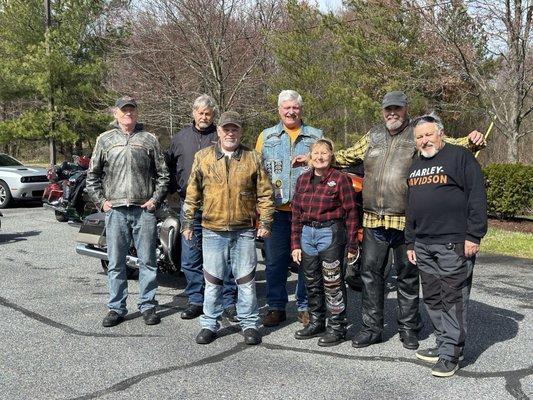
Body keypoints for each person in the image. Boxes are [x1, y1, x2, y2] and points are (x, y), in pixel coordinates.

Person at [335, 91, 484, 350]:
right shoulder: (373, 135)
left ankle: (408, 327)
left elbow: (446, 143)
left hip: (405, 220)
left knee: (407, 275)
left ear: (405, 109)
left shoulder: (417, 133)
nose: (392, 113)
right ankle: (371, 327)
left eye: (397, 109)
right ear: (382, 111)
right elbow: (346, 156)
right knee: (371, 275)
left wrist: (472, 141)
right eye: (388, 109)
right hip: (373, 219)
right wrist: (317, 156)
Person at [405, 113, 487, 377]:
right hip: (423, 244)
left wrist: (473, 235)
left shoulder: (460, 157)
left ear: (441, 133)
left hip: (453, 243)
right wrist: (410, 241)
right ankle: (444, 343)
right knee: (431, 297)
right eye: (419, 136)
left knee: (453, 298)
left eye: (429, 134)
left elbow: (477, 196)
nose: (424, 140)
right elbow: (411, 207)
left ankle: (451, 353)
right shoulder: (415, 165)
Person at [183, 111, 274, 345]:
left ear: (240, 131)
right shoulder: (203, 157)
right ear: (218, 131)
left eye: (234, 129)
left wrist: (265, 222)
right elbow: (192, 193)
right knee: (213, 281)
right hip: (212, 229)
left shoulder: (253, 157)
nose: (230, 133)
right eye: (226, 129)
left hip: (243, 230)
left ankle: (250, 323)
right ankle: (209, 323)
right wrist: (187, 222)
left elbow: (265, 193)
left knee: (245, 281)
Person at [87, 96, 169, 327]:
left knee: (148, 262)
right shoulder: (105, 140)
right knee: (115, 262)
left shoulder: (149, 139)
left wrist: (154, 200)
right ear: (116, 114)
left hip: (144, 211)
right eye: (124, 110)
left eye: (132, 110)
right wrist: (101, 202)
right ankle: (116, 308)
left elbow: (163, 174)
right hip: (116, 211)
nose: (128, 114)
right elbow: (92, 176)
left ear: (136, 113)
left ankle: (148, 306)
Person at [166, 94, 237, 321]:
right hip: (189, 205)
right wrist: (170, 193)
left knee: (222, 257)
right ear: (193, 113)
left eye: (208, 113)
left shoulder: (221, 137)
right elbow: (168, 168)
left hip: (218, 205)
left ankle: (228, 301)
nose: (204, 117)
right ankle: (196, 299)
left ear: (213, 115)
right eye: (200, 113)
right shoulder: (180, 138)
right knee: (190, 257)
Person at [256, 90, 323, 327]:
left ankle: (305, 307)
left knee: (307, 261)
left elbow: (326, 166)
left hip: (306, 212)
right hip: (276, 211)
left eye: (295, 107)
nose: (291, 111)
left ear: (300, 109)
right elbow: (258, 172)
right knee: (275, 261)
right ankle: (276, 307)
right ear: (279, 110)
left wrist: (311, 159)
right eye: (286, 108)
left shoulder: (315, 136)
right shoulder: (267, 136)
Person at [290, 138, 359, 346]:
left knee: (332, 282)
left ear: (331, 156)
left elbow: (352, 213)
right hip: (307, 234)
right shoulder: (302, 179)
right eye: (316, 153)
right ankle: (317, 321)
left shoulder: (340, 179)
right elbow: (295, 214)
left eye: (324, 153)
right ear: (310, 157)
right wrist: (295, 244)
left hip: (330, 232)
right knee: (311, 281)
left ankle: (337, 326)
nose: (320, 157)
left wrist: (352, 245)